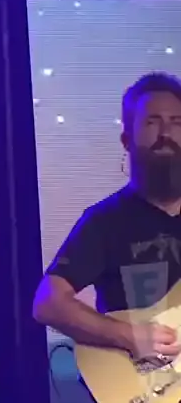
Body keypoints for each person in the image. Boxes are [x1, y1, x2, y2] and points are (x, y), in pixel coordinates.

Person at [33, 72, 181, 364]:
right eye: (152, 122)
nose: (166, 133)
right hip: (145, 383)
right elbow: (48, 303)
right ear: (127, 140)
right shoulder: (105, 221)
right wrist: (128, 335)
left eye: (177, 122)